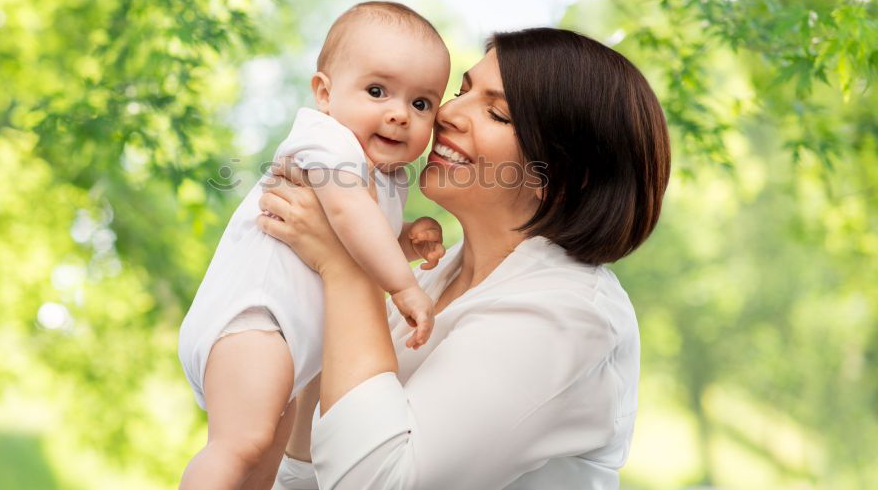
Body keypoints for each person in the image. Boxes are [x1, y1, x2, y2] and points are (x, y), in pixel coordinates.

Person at [258, 28, 672, 490]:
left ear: (565, 175)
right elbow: (304, 474)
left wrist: (345, 266)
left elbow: (379, 482)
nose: (447, 113)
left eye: (496, 113)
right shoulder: (435, 277)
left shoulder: (567, 316)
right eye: (461, 91)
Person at [177, 1, 452, 490]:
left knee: (264, 461)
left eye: (421, 103)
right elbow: (347, 214)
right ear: (325, 93)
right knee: (239, 444)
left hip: (286, 341)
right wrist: (405, 286)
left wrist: (407, 237)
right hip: (254, 320)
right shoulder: (326, 142)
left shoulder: (384, 174)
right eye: (376, 91)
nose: (399, 115)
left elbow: (360, 237)